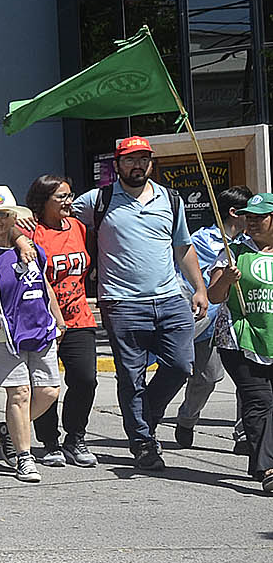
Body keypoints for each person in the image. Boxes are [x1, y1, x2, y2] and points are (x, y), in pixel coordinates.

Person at [71, 136, 209, 471]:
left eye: (143, 159)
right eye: (130, 160)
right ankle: (143, 442)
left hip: (171, 298)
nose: (138, 165)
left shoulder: (170, 198)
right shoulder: (97, 200)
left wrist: (199, 288)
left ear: (151, 163)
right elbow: (57, 216)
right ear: (116, 165)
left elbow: (183, 247)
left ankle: (145, 414)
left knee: (180, 365)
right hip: (122, 303)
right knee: (131, 377)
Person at [0, 186, 65, 483]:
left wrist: (58, 319)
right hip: (3, 334)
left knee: (49, 391)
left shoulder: (33, 249)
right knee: (19, 393)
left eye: (2, 214)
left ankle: (9, 429)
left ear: (13, 218)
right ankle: (24, 457)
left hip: (40, 329)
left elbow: (44, 286)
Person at [22, 175, 101, 467]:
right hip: (42, 319)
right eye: (61, 197)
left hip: (79, 315)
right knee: (45, 383)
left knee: (85, 379)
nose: (69, 202)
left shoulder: (80, 228)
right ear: (42, 202)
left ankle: (75, 437)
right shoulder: (30, 231)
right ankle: (49, 442)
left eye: (70, 195)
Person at [203, 192, 273, 493]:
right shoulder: (232, 252)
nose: (253, 222)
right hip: (239, 338)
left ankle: (259, 459)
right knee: (260, 401)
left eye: (260, 217)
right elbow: (214, 296)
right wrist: (226, 280)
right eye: (250, 216)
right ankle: (268, 467)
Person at [175, 186, 254, 449]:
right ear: (233, 212)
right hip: (206, 320)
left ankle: (246, 433)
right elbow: (180, 276)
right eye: (248, 212)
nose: (253, 218)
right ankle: (186, 419)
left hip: (240, 321)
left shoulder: (251, 244)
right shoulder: (200, 242)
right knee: (207, 377)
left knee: (250, 379)